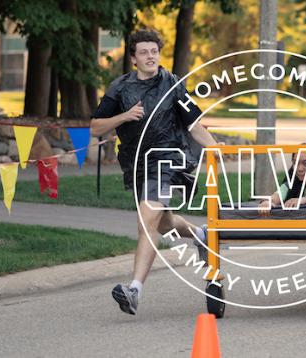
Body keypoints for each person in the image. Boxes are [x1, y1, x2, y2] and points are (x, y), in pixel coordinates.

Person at [90, 29, 221, 315]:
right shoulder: (120, 88)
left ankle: (134, 289)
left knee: (145, 224)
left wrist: (215, 148)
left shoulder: (172, 85)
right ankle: (201, 234)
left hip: (168, 162)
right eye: (144, 52)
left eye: (154, 51)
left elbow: (194, 124)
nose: (151, 57)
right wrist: (124, 116)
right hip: (137, 163)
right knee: (161, 224)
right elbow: (95, 127)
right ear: (133, 58)